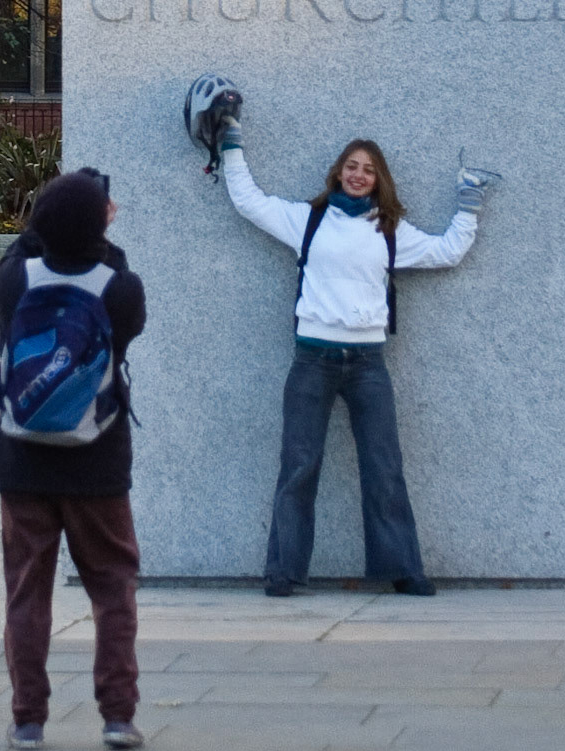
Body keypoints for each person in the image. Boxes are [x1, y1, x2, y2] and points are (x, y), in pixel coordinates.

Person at [210, 94, 493, 597]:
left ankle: (403, 569)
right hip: (312, 360)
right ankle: (283, 571)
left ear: (379, 179)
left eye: (368, 169)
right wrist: (231, 144)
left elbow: (447, 251)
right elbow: (249, 201)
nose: (359, 175)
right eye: (351, 166)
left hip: (367, 364)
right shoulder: (309, 220)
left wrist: (468, 202)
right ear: (338, 172)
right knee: (299, 466)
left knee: (384, 468)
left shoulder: (388, 231)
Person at [0, 170, 146, 751]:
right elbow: (126, 334)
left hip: (21, 458)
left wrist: (50, 222)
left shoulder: (15, 280)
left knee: (27, 590)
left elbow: (16, 262)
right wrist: (102, 236)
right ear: (98, 224)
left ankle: (28, 719)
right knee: (112, 588)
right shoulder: (120, 287)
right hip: (96, 459)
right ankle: (118, 716)